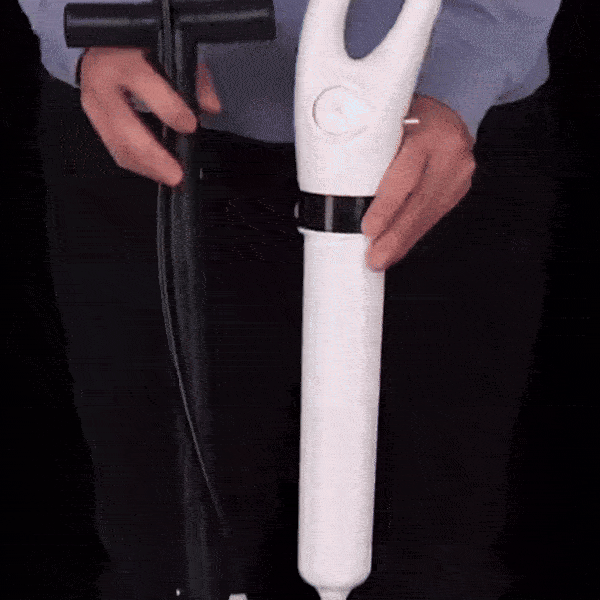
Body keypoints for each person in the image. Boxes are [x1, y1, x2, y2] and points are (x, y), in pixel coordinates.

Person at [18, 1, 563, 599]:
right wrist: (89, 15)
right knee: (169, 557)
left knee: (434, 550)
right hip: (151, 110)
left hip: (438, 134)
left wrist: (463, 66)